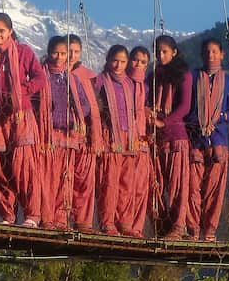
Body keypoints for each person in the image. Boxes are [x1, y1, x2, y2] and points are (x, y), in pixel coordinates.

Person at [0, 13, 46, 224]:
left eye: (1, 31)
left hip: (20, 117)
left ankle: (32, 215)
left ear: (10, 31)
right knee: (0, 168)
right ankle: (7, 215)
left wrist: (22, 92)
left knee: (24, 167)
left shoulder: (23, 52)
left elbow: (40, 77)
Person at [36, 35, 104, 230]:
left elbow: (87, 105)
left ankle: (63, 220)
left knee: (67, 179)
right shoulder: (41, 76)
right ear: (49, 53)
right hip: (48, 137)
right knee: (48, 179)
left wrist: (74, 115)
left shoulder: (75, 79)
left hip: (71, 137)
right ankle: (47, 219)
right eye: (55, 53)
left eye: (64, 53)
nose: (60, 57)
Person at [188, 37, 229, 242]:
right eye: (207, 51)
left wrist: (218, 117)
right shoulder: (192, 78)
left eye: (215, 51)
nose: (210, 55)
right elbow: (187, 107)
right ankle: (193, 229)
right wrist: (198, 121)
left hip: (218, 141)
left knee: (214, 189)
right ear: (201, 54)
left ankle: (209, 231)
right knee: (192, 187)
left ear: (222, 54)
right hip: (195, 139)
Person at [151, 34, 194, 239]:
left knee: (178, 185)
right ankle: (162, 226)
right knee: (156, 185)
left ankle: (179, 226)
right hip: (157, 139)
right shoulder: (155, 76)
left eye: (165, 51)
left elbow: (185, 106)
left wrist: (164, 122)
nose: (161, 55)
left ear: (174, 52)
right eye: (158, 52)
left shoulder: (183, 75)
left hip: (176, 137)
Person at [94, 45, 138, 236]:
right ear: (108, 59)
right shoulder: (100, 81)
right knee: (109, 182)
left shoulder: (130, 84)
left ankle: (125, 223)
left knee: (127, 183)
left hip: (129, 138)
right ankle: (107, 222)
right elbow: (94, 109)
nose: (118, 65)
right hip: (110, 137)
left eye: (122, 62)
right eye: (114, 60)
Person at [119, 45, 154, 237]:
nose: (138, 65)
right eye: (135, 60)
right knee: (125, 185)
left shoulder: (147, 87)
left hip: (143, 143)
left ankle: (137, 227)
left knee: (141, 187)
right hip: (125, 142)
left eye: (143, 62)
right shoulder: (121, 83)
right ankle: (124, 224)